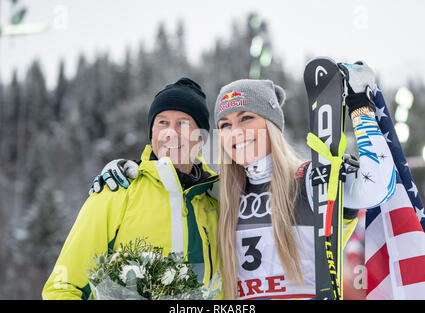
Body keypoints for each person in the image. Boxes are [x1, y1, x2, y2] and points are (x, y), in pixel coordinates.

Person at [92, 62, 395, 299]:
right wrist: (127, 169)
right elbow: (176, 181)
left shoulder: (309, 181)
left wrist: (360, 106)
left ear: (272, 126)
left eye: (246, 118)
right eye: (224, 125)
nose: (234, 132)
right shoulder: (217, 193)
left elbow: (378, 185)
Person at [42, 78, 222, 299]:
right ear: (152, 132)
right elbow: (63, 287)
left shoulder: (216, 202)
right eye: (162, 123)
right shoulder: (117, 191)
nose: (170, 133)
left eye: (183, 124)